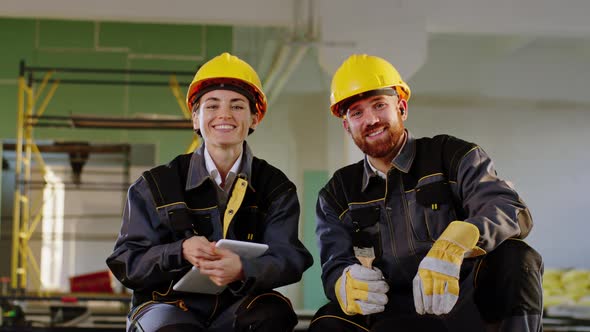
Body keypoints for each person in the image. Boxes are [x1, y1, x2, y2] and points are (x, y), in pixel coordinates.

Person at [308, 54, 543, 332]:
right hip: (393, 315)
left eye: (379, 105)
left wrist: (456, 243)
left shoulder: (452, 156)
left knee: (517, 258)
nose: (370, 119)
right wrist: (343, 281)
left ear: (402, 108)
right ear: (347, 126)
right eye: (357, 113)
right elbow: (335, 262)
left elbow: (509, 208)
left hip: (465, 304)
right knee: (328, 321)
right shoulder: (337, 192)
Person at [107, 52, 313, 332]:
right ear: (196, 118)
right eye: (212, 105)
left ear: (255, 118)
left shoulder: (275, 187)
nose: (224, 115)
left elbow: (288, 257)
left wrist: (243, 269)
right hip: (166, 305)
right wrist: (178, 251)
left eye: (238, 106)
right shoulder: (155, 185)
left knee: (273, 313)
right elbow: (126, 263)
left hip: (237, 306)